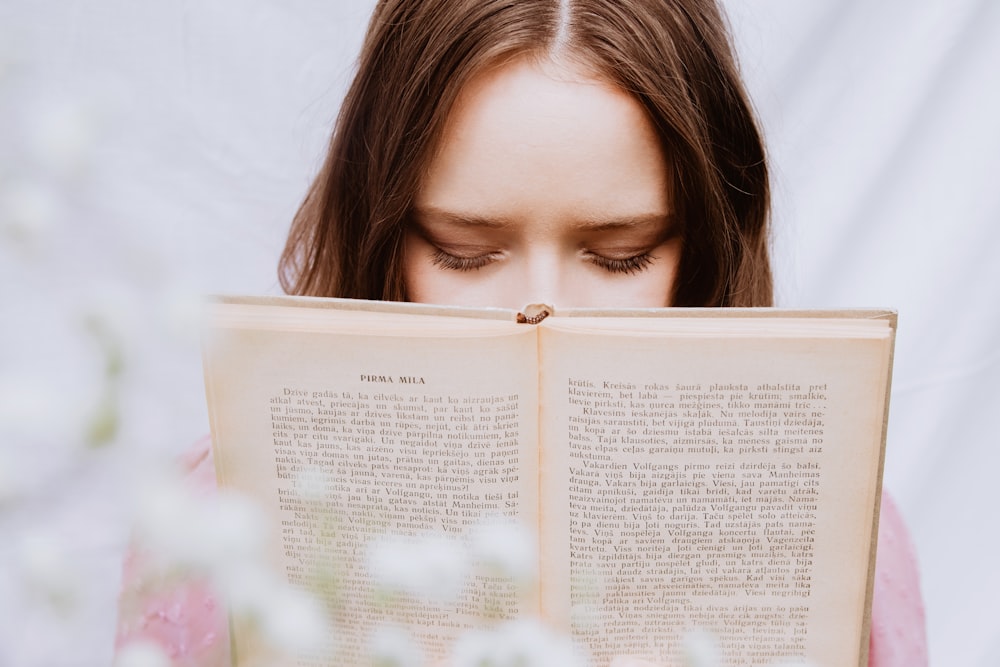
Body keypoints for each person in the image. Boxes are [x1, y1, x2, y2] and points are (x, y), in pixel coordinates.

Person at [116, 0, 927, 665]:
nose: (541, 310)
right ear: (381, 228)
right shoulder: (221, 516)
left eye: (622, 256)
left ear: (709, 239)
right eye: (463, 253)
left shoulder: (843, 531)